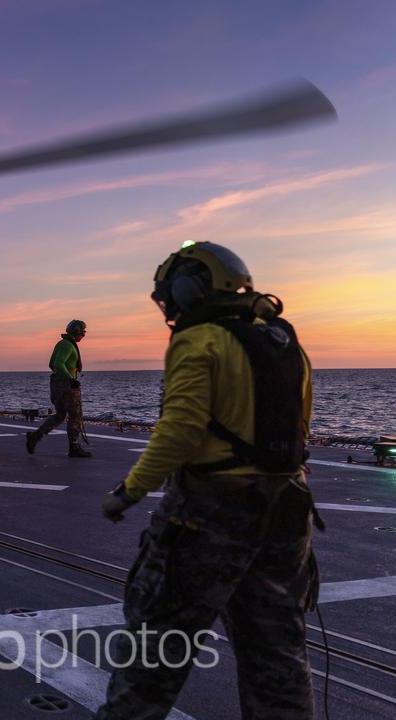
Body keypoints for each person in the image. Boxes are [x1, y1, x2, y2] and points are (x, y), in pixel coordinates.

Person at [94, 242, 318, 720]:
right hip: (288, 509)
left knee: (156, 651)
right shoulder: (285, 341)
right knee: (278, 656)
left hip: (211, 513)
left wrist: (126, 493)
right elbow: (300, 429)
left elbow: (180, 430)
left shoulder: (199, 339)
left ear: (191, 288)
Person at [26, 320, 92, 458]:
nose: (83, 335)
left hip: (57, 383)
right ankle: (74, 447)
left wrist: (64, 375)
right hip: (66, 385)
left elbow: (52, 364)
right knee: (75, 415)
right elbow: (57, 363)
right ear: (77, 332)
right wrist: (70, 378)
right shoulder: (68, 346)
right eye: (83, 332)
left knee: (60, 415)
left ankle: (35, 436)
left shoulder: (61, 344)